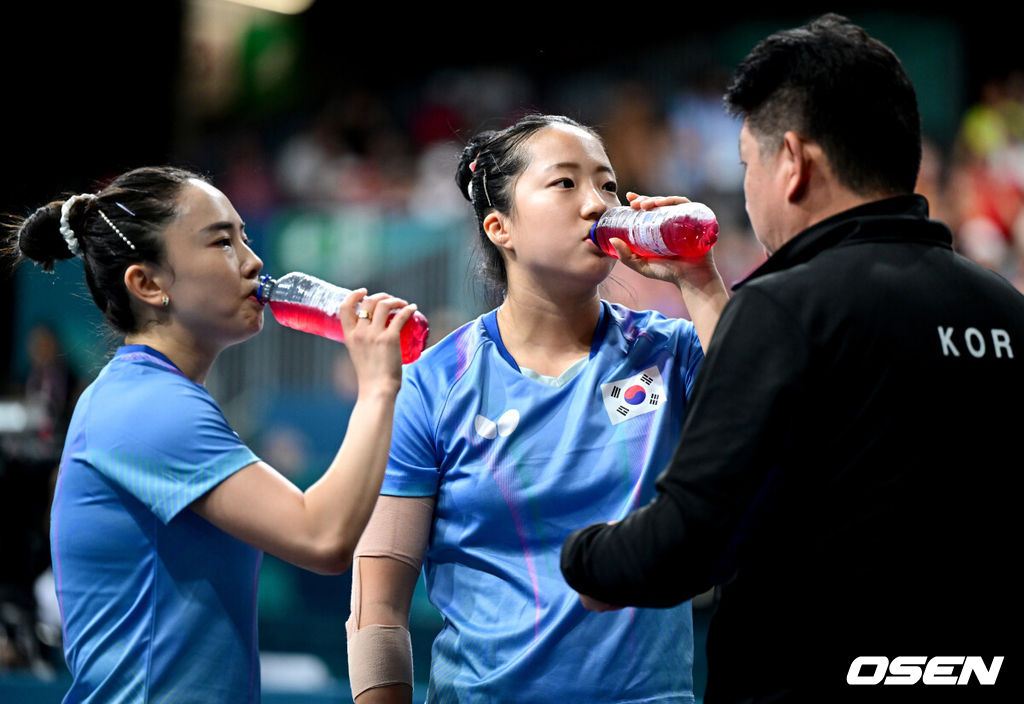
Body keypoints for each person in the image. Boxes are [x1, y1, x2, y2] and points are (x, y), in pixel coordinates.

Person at [560, 13, 1024, 703]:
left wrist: (579, 557)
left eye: (748, 164)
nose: (747, 191)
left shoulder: (787, 306)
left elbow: (686, 543)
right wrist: (701, 286)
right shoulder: (1005, 310)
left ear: (794, 163)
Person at [343, 114, 730, 703]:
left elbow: (771, 419)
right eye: (566, 183)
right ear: (500, 227)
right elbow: (378, 609)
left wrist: (699, 281)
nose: (598, 205)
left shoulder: (670, 351)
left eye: (606, 184)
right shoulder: (432, 386)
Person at [5, 165, 419, 703]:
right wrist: (379, 387)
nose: (253, 261)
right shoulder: (147, 408)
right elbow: (323, 536)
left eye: (245, 236)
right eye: (222, 241)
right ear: (148, 283)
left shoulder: (158, 398)